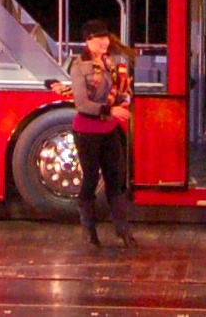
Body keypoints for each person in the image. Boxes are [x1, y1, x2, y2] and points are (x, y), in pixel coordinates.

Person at [56, 20, 136, 248]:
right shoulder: (79, 66)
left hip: (108, 129)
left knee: (116, 180)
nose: (104, 42)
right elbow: (82, 104)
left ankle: (123, 231)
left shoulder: (112, 62)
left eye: (106, 37)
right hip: (87, 130)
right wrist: (110, 110)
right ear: (88, 41)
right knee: (90, 179)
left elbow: (118, 91)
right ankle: (89, 232)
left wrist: (124, 95)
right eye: (99, 38)